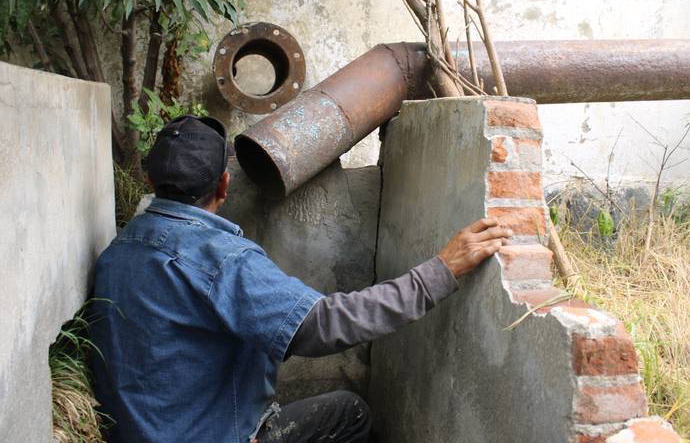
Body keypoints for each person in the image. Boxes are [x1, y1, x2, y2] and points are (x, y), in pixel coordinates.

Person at [91, 115, 512, 443]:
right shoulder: (220, 260)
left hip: (142, 431)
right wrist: (440, 271)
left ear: (149, 182)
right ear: (224, 183)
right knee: (351, 413)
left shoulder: (118, 252)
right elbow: (323, 326)